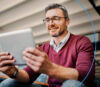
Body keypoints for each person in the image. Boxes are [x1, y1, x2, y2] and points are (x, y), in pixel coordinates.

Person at [0, 3, 95, 87]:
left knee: (72, 84)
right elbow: (28, 75)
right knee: (7, 83)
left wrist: (50, 68)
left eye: (56, 18)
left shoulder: (82, 42)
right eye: (47, 20)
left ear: (67, 21)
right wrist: (13, 72)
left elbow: (86, 75)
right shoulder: (43, 48)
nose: (51, 23)